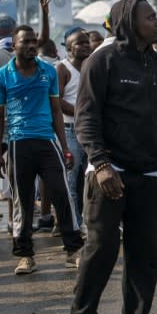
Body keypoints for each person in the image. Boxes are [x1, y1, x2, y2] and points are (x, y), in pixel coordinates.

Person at [69, 0, 157, 314]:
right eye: (150, 17)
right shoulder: (102, 61)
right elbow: (86, 118)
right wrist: (100, 164)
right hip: (110, 175)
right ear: (129, 22)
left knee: (147, 257)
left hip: (153, 175)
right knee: (101, 250)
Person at [0, 25, 83, 275]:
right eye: (26, 42)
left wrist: (65, 147)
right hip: (19, 143)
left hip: (47, 141)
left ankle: (73, 250)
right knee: (23, 202)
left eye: (34, 41)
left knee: (62, 193)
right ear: (15, 45)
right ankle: (25, 256)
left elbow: (56, 110)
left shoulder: (48, 72)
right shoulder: (2, 75)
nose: (31, 46)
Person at [57, 28, 91, 226]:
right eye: (80, 43)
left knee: (90, 180)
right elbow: (57, 101)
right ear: (69, 47)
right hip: (70, 130)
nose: (85, 45)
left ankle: (88, 222)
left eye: (87, 42)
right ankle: (73, 225)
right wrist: (81, 113)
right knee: (70, 180)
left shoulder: (91, 65)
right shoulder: (62, 69)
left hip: (90, 130)